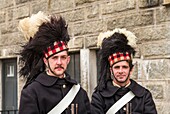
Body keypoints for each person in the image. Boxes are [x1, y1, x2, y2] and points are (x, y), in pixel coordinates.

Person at [18, 11, 91, 114]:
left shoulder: (79, 92)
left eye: (63, 57)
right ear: (45, 61)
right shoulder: (32, 92)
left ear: (68, 60)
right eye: (54, 58)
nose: (59, 62)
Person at [91, 28, 157, 114]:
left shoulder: (144, 95)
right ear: (111, 70)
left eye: (124, 67)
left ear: (131, 69)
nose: (121, 71)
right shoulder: (99, 97)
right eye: (117, 67)